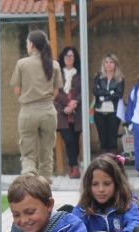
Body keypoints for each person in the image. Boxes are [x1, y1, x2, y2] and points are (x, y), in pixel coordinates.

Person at [10, 30, 62, 181]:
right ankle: (45, 181)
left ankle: (29, 176)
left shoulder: (22, 64)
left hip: (28, 111)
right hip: (48, 111)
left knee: (28, 152)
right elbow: (56, 92)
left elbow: (17, 90)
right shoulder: (54, 65)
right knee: (47, 151)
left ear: (31, 44)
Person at [55, 46, 84, 179]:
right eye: (67, 56)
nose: (69, 59)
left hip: (76, 112)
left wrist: (74, 103)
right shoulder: (57, 73)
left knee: (75, 140)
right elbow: (55, 92)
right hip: (62, 111)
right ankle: (74, 166)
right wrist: (67, 104)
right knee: (68, 140)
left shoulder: (80, 73)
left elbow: (82, 91)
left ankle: (74, 166)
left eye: (71, 56)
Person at [92, 54, 125, 155]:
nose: (108, 64)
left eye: (111, 62)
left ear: (115, 64)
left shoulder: (120, 78)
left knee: (112, 138)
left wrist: (103, 93)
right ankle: (104, 162)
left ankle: (113, 162)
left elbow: (119, 94)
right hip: (99, 111)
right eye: (106, 62)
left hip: (114, 111)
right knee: (103, 138)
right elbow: (95, 91)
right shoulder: (98, 76)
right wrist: (110, 92)